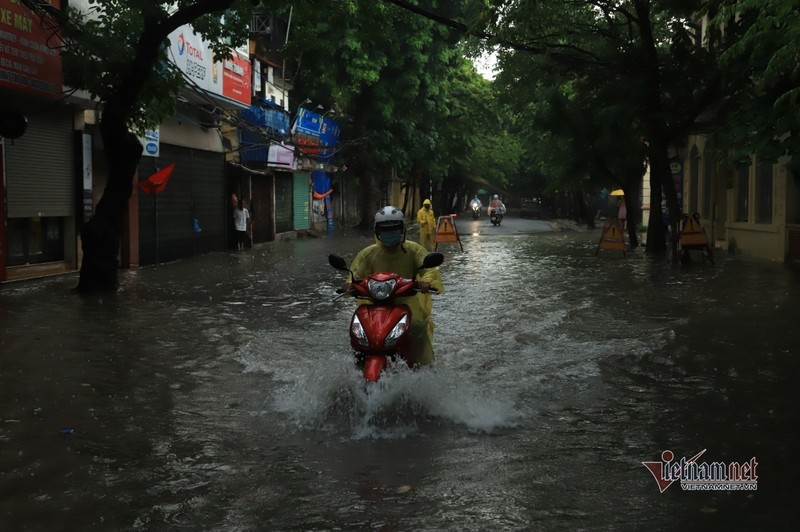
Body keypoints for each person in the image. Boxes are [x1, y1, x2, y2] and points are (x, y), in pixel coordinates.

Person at [347, 206, 445, 366]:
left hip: (408, 305)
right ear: (377, 231)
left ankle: (425, 367)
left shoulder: (414, 250)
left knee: (418, 330)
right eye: (384, 229)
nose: (389, 233)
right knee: (357, 332)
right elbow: (354, 273)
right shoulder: (368, 254)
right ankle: (357, 365)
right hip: (375, 307)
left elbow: (430, 269)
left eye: (393, 229)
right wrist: (348, 285)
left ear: (402, 230)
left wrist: (426, 281)